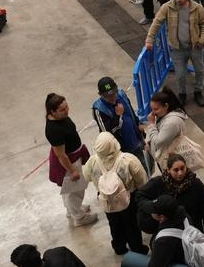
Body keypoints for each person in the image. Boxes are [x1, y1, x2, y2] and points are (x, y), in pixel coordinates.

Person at [81, 132, 149, 256]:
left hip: (105, 198)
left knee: (114, 223)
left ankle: (119, 246)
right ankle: (136, 247)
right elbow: (142, 180)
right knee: (131, 223)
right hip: (128, 197)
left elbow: (86, 177)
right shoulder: (127, 159)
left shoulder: (92, 161)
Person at [146, 0, 204, 108]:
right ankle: (182, 94)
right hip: (177, 49)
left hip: (195, 47)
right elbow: (156, 23)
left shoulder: (197, 8)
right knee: (180, 74)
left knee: (199, 70)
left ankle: (198, 91)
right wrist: (149, 39)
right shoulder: (167, 7)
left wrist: (202, 39)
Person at [44, 93, 96, 227]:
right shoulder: (54, 129)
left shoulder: (60, 118)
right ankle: (79, 217)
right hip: (68, 162)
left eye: (67, 107)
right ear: (52, 112)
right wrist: (72, 171)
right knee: (75, 190)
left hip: (72, 157)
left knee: (69, 191)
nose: (67, 111)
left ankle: (72, 210)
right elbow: (61, 155)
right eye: (62, 109)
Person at [141, 87, 203, 170]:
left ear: (166, 106)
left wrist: (152, 124)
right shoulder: (163, 116)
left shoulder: (172, 122)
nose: (152, 112)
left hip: (172, 163)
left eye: (156, 109)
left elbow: (158, 142)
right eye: (152, 109)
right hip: (167, 158)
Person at [92, 76, 147, 169]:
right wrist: (118, 116)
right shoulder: (99, 109)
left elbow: (131, 113)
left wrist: (139, 126)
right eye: (107, 96)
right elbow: (107, 134)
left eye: (114, 93)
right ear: (100, 95)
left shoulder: (121, 94)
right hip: (122, 151)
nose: (112, 98)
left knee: (144, 169)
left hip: (135, 141)